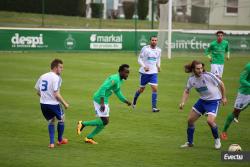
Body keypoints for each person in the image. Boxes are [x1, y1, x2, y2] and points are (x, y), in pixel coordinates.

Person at [77, 64, 132, 144]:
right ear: (120, 72)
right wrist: (102, 102)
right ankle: (83, 124)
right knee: (105, 121)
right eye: (126, 72)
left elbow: (118, 92)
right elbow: (103, 88)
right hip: (100, 99)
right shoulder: (114, 79)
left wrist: (125, 101)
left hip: (104, 100)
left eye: (128, 73)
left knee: (105, 121)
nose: (127, 74)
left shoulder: (120, 80)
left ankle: (89, 137)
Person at [179, 60, 227, 149]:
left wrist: (224, 97)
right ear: (193, 69)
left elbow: (222, 84)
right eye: (198, 69)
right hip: (202, 101)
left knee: (210, 121)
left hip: (214, 101)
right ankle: (190, 143)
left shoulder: (209, 75)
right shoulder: (191, 79)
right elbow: (187, 91)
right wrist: (183, 102)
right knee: (190, 121)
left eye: (201, 68)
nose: (200, 70)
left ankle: (217, 140)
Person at [35, 59, 69, 148]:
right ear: (55, 67)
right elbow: (56, 94)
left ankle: (51, 143)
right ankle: (60, 140)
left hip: (43, 104)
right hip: (53, 104)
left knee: (52, 120)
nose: (62, 69)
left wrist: (45, 98)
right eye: (60, 67)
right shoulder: (57, 78)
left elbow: (38, 91)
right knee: (62, 119)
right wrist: (65, 103)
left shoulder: (43, 76)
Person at [221, 62, 250, 140]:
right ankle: (224, 131)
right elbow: (242, 80)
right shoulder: (248, 66)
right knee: (235, 112)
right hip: (244, 93)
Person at [132, 36, 161, 112]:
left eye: (155, 40)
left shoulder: (159, 50)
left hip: (153, 73)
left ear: (157, 41)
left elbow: (158, 59)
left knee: (155, 88)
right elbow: (139, 59)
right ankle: (134, 101)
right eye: (152, 40)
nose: (154, 41)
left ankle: (154, 108)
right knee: (141, 90)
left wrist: (158, 66)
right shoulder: (145, 49)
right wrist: (144, 66)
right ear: (150, 41)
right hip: (144, 73)